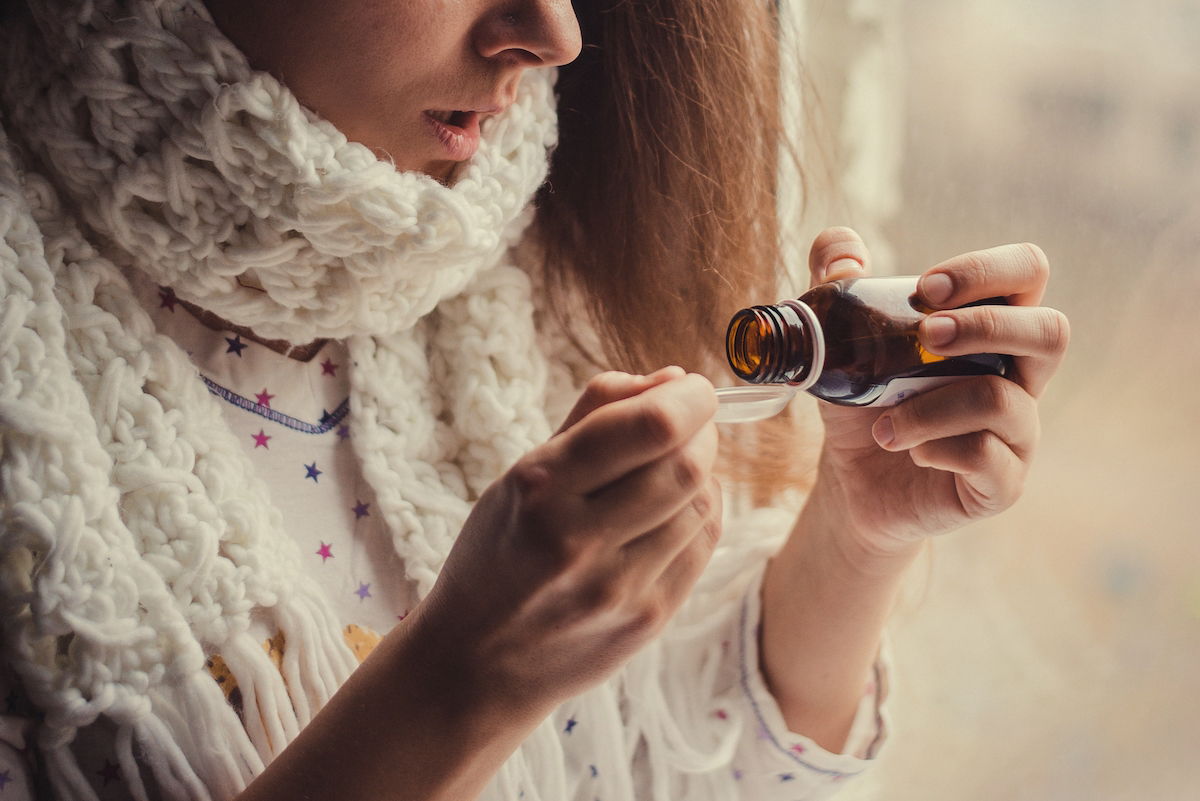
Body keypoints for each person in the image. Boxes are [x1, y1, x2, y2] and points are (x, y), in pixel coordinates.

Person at [0, 1, 1070, 800]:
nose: (555, 30)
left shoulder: (523, 253)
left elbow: (667, 766)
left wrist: (858, 535)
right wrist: (459, 685)